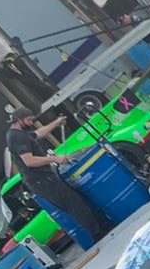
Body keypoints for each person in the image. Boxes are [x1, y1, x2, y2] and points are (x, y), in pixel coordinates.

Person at [6, 107, 107, 251]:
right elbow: (29, 161)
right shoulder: (16, 137)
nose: (30, 123)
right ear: (18, 120)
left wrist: (56, 122)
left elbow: (38, 134)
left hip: (43, 178)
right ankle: (97, 234)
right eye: (28, 120)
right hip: (40, 180)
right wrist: (55, 159)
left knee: (74, 202)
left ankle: (98, 229)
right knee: (74, 204)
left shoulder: (21, 134)